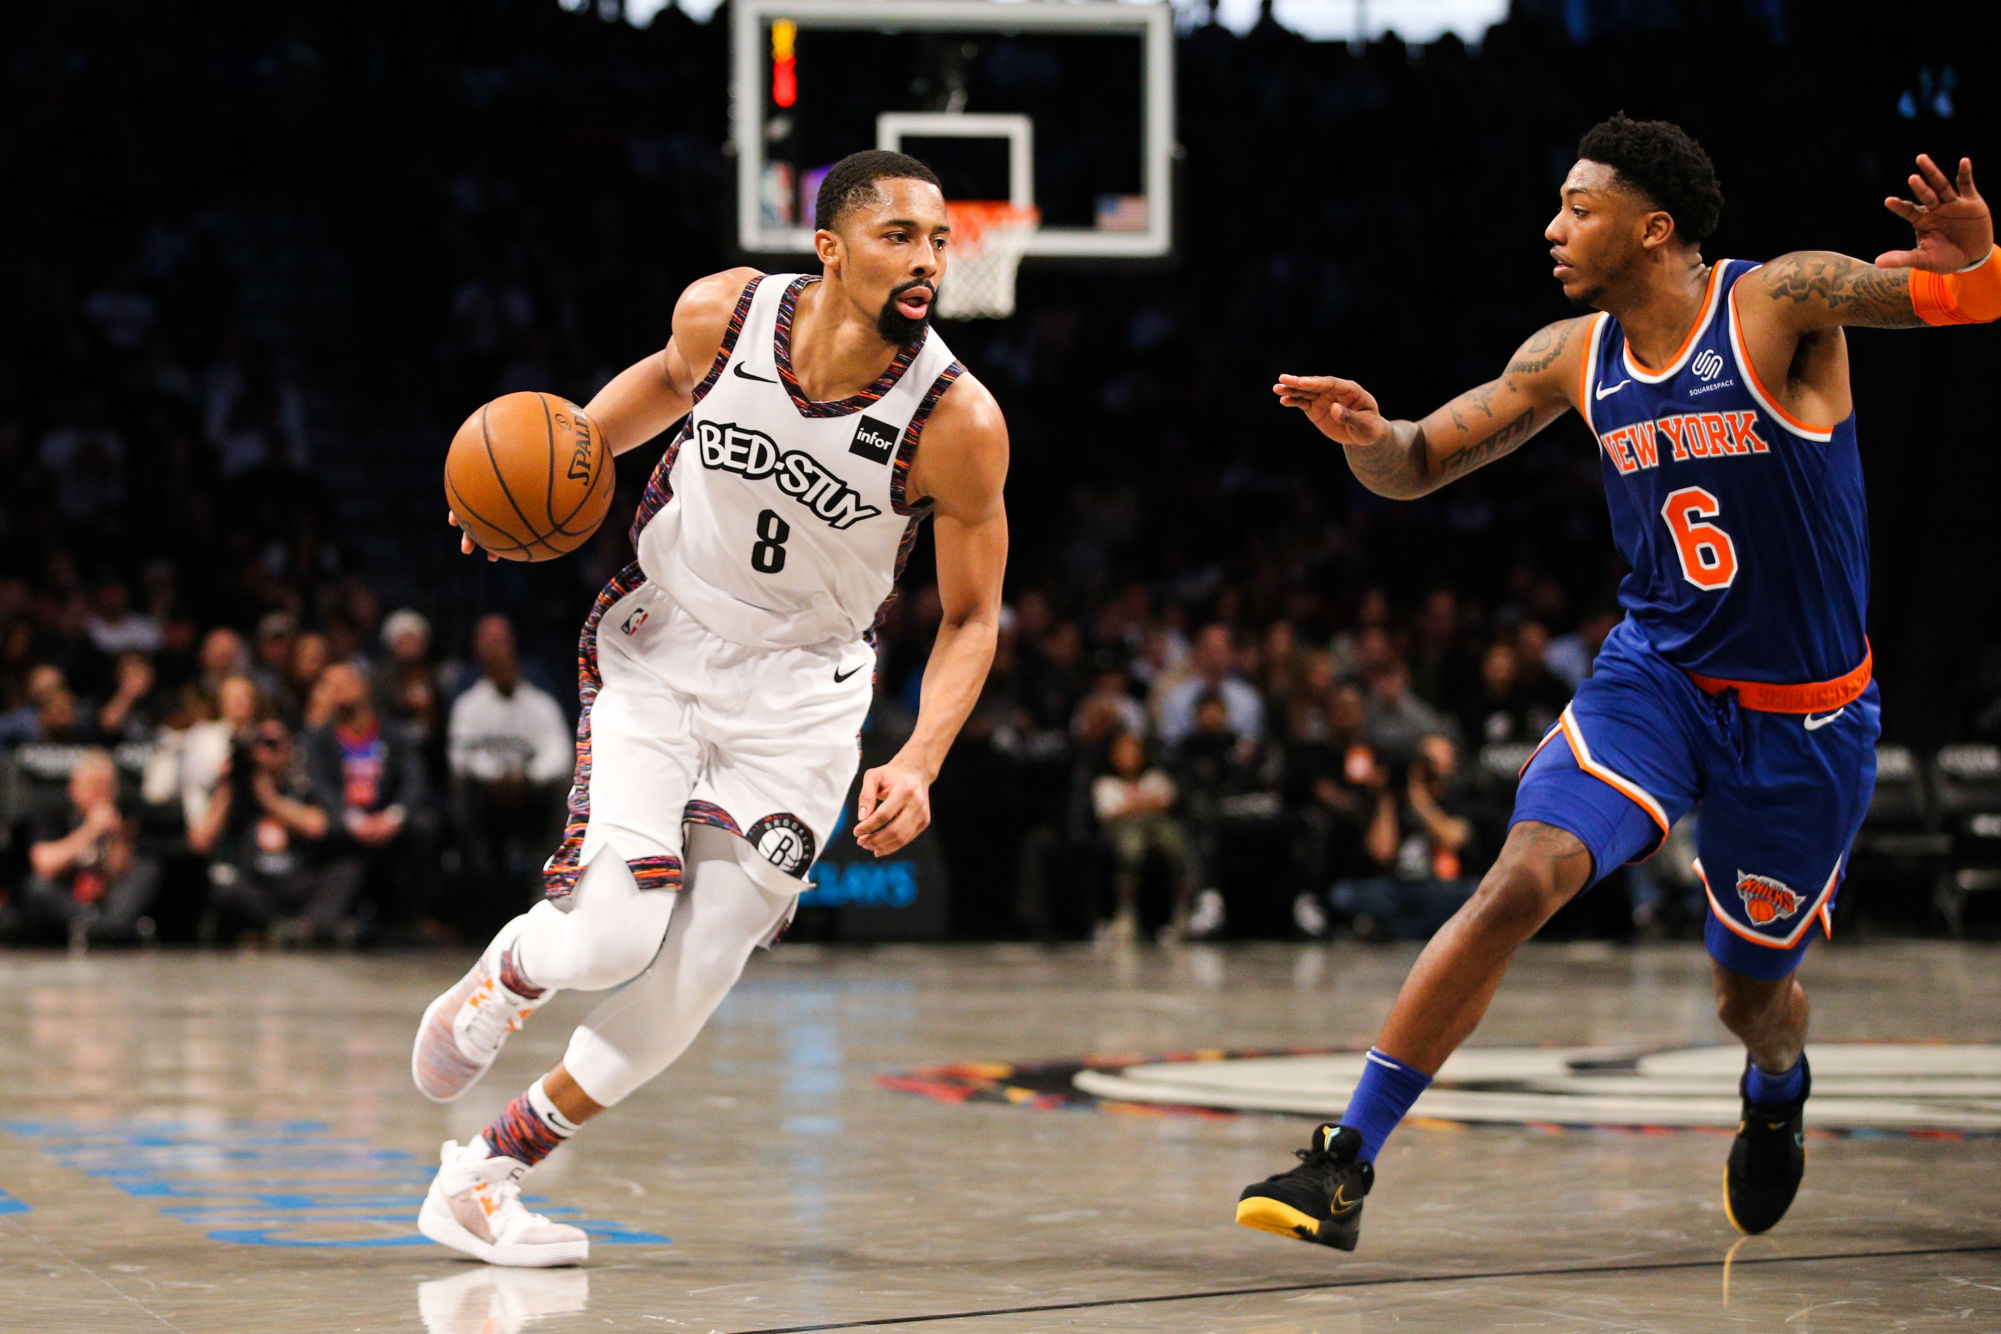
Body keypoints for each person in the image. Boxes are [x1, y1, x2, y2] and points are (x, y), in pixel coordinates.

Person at [1239, 118, 1997, 1251]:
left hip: (1806, 721)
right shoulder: (1569, 354)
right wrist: (1364, 433)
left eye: (1577, 208)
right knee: (1518, 877)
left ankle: (1779, 1080)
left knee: (1750, 998)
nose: (1552, 228)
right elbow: (1421, 461)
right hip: (1658, 679)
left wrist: (1973, 253)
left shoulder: (1778, 302)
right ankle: (1343, 1161)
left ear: (1653, 227)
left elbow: (1964, 301)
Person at [411, 149, 1008, 1267]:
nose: (927, 259)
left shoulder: (959, 420)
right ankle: (511, 973)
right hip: (668, 643)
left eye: (938, 239)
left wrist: (920, 757)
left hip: (805, 701)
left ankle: (484, 1175)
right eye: (899, 236)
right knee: (611, 934)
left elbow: (973, 617)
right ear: (829, 248)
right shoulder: (723, 313)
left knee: (701, 966)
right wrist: (542, 485)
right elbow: (648, 393)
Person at [21, 750, 158, 945]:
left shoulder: (125, 814)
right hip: (69, 897)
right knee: (37, 887)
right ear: (74, 788)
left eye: (107, 786)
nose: (100, 792)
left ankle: (104, 927)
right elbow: (43, 864)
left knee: (146, 870)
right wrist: (88, 831)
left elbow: (121, 871)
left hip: (109, 897)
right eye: (93, 785)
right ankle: (101, 927)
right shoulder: (53, 811)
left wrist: (116, 837)